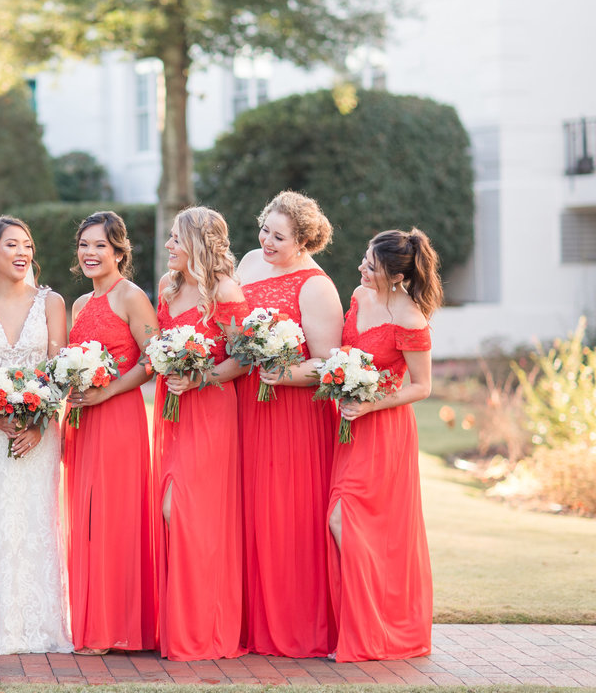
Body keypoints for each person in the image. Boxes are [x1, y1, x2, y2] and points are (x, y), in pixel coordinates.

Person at [0, 217, 71, 654]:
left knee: (38, 519)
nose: (22, 253)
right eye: (11, 245)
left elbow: (60, 371)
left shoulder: (52, 301)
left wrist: (40, 423)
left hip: (40, 433)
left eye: (27, 244)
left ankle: (42, 626)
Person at [236, 190, 343, 658]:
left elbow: (329, 363)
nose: (267, 242)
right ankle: (246, 624)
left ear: (303, 242)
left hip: (293, 417)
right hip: (245, 405)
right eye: (265, 230)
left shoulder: (316, 285)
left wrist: (283, 373)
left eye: (279, 237)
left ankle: (296, 627)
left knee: (286, 517)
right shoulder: (248, 263)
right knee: (247, 512)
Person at [328, 229, 441, 662]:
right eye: (363, 258)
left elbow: (422, 387)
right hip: (350, 428)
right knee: (349, 523)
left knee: (348, 521)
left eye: (371, 265)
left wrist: (372, 403)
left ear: (395, 275)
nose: (361, 268)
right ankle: (361, 628)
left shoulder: (411, 319)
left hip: (385, 430)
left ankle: (381, 629)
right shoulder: (359, 296)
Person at [153, 207, 249, 661]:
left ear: (197, 243)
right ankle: (180, 626)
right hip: (173, 413)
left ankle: (207, 628)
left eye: (176, 238)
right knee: (170, 512)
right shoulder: (168, 288)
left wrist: (200, 378)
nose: (169, 245)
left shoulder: (225, 291)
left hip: (210, 410)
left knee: (189, 514)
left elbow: (242, 358)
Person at [63, 210, 158, 655]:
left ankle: (114, 626)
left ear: (119, 250)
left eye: (100, 245)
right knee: (84, 519)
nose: (90, 253)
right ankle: (91, 620)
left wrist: (108, 392)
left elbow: (152, 359)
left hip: (118, 417)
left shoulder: (131, 296)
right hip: (82, 419)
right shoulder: (80, 305)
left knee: (112, 516)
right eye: (84, 245)